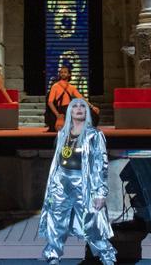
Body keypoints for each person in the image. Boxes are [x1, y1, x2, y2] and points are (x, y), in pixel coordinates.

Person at [39, 98, 117, 265]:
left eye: (83, 106)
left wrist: (100, 192)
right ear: (70, 112)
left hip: (84, 183)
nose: (79, 108)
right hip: (61, 182)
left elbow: (101, 164)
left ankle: (107, 257)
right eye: (75, 106)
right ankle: (53, 257)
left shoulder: (94, 135)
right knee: (55, 220)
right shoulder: (62, 133)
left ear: (87, 112)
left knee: (93, 222)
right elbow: (58, 160)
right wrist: (53, 185)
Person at [45, 64, 99, 132]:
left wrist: (92, 106)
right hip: (60, 109)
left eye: (65, 72)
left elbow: (81, 98)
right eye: (61, 72)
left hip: (69, 108)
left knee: (92, 113)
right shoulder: (55, 86)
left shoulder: (71, 87)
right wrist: (57, 114)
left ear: (69, 74)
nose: (63, 74)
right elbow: (50, 102)